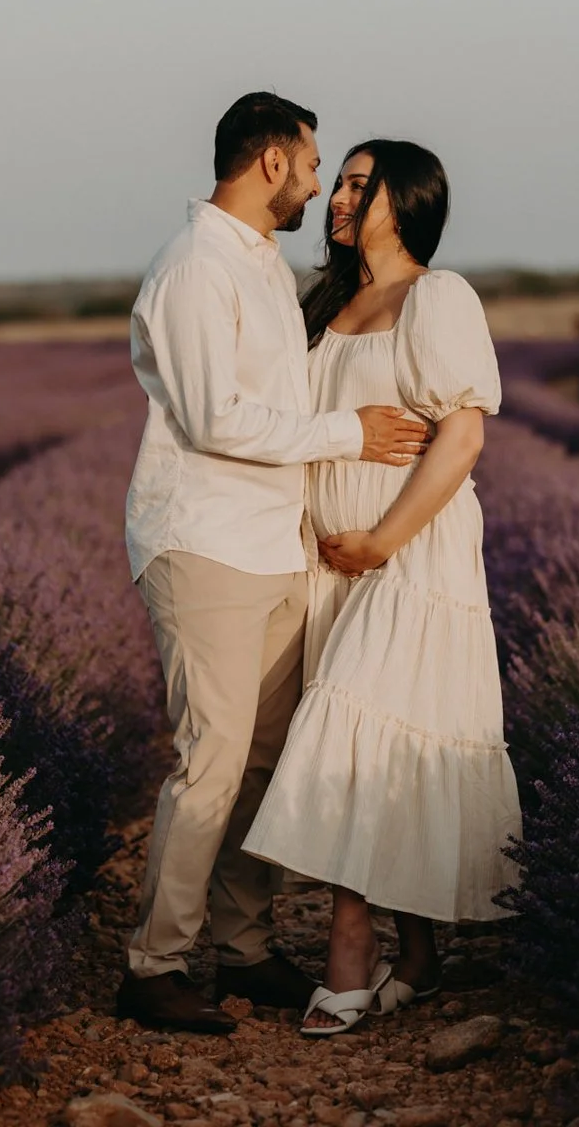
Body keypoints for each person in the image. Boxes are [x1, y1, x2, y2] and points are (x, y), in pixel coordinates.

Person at [117, 94, 432, 1034]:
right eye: (311, 165)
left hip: (269, 542)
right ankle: (155, 966)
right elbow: (216, 419)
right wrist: (351, 434)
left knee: (259, 761)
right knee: (209, 762)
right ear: (268, 164)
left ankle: (244, 953)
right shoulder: (193, 270)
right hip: (203, 541)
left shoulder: (262, 268)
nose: (317, 184)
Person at [241, 139, 524, 1036]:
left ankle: (349, 948)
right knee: (384, 743)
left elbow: (463, 438)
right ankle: (425, 957)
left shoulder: (436, 297)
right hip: (333, 556)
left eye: (361, 185)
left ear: (408, 201)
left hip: (410, 552)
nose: (339, 197)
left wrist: (380, 541)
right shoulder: (325, 302)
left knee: (356, 738)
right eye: (343, 182)